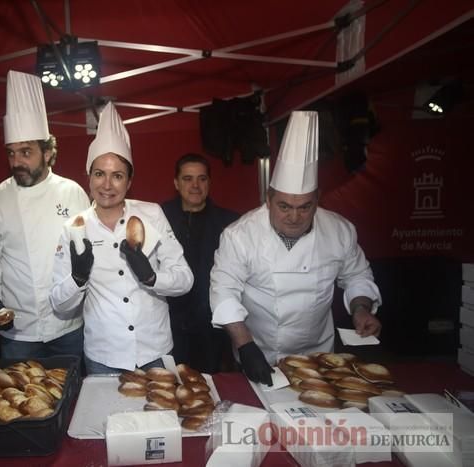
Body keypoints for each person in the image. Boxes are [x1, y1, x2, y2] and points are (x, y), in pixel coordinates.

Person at [210, 111, 382, 385]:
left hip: (320, 356)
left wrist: (361, 309)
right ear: (269, 198)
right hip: (261, 352)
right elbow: (223, 292)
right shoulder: (240, 235)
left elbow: (357, 276)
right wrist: (245, 346)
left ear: (318, 199)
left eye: (305, 207)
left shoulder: (339, 230)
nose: (294, 217)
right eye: (284, 206)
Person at [50, 102, 193, 374]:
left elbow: (185, 279)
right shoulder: (73, 228)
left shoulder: (151, 214)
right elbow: (59, 305)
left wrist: (152, 278)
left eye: (117, 176)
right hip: (105, 357)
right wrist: (77, 280)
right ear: (88, 178)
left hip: (155, 351)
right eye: (99, 174)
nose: (107, 185)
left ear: (129, 182)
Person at [0, 70, 90, 359]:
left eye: (25, 152)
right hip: (18, 331)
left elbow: (86, 255)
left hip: (69, 326)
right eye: (11, 153)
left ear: (47, 153)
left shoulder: (73, 193)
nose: (17, 162)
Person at [161, 154, 239, 374]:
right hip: (169, 323)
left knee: (211, 389)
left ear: (209, 182)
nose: (195, 185)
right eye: (187, 179)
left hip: (211, 326)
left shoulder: (231, 224)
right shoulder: (158, 218)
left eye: (202, 179)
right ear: (176, 183)